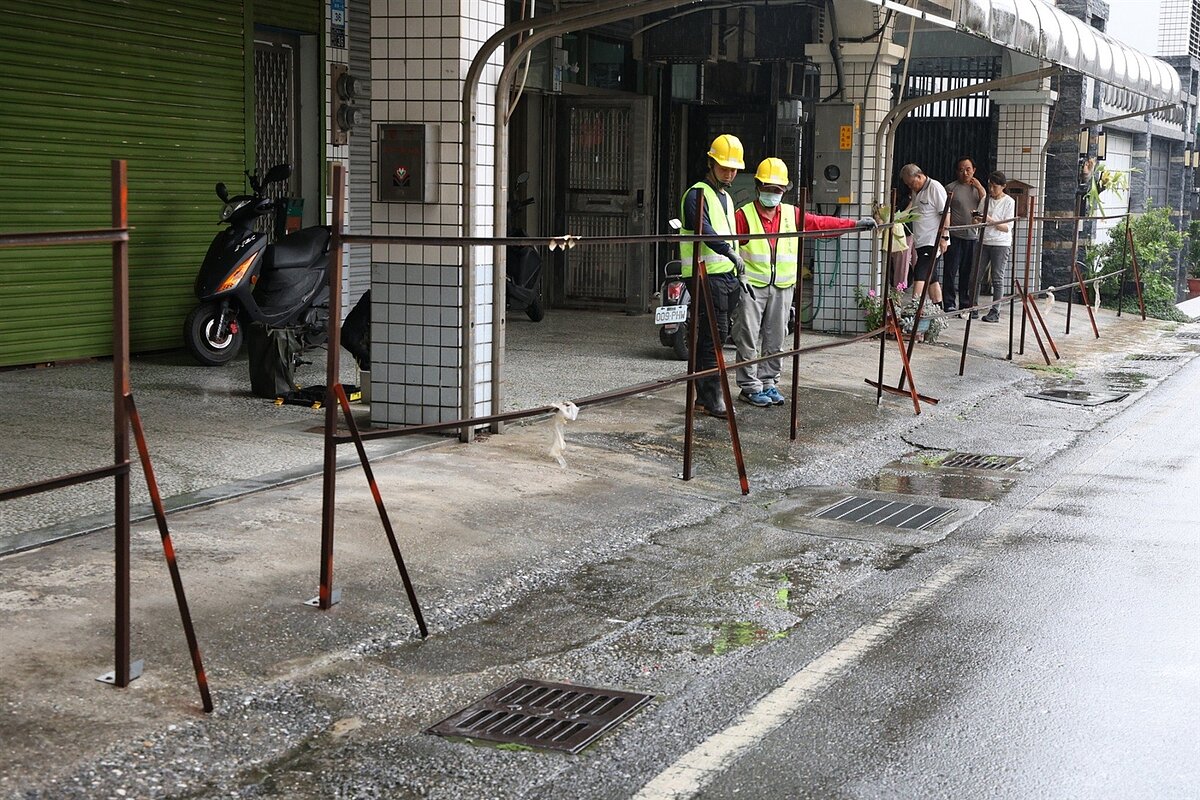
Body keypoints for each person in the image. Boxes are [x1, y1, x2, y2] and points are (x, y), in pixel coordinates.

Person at [732, 157, 871, 407]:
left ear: (784, 191)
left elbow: (820, 224)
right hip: (752, 286)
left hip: (783, 286)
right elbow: (728, 245)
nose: (772, 194)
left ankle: (768, 382)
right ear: (757, 186)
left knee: (776, 339)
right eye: (767, 188)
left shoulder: (790, 214)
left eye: (777, 190)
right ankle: (749, 386)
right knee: (748, 337)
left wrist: (853, 225)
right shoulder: (743, 216)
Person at [680, 133, 746, 417]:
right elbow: (704, 230)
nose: (729, 173)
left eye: (733, 169)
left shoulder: (726, 198)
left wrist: (735, 260)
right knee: (716, 336)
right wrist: (730, 253)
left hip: (725, 275)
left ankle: (704, 396)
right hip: (705, 273)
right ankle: (713, 396)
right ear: (711, 163)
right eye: (724, 167)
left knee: (711, 336)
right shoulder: (697, 194)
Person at [899, 163, 949, 315]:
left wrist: (944, 237)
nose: (910, 187)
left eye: (911, 183)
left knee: (920, 272)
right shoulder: (917, 191)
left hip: (933, 240)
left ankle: (914, 309)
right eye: (907, 184)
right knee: (931, 277)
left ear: (919, 176)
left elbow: (946, 213)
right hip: (921, 241)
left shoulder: (935, 187)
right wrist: (897, 218)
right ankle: (939, 311)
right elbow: (912, 208)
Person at [943, 157, 986, 315]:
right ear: (957, 171)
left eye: (968, 169)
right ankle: (948, 302)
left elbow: (985, 203)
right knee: (950, 270)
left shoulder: (978, 189)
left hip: (972, 237)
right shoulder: (951, 188)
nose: (965, 172)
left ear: (974, 170)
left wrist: (980, 187)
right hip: (954, 235)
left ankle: (965, 303)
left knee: (967, 272)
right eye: (961, 169)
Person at [976, 171, 1016, 323]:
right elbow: (979, 219)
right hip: (984, 240)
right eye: (989, 186)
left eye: (994, 186)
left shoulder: (1009, 202)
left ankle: (995, 311)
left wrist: (988, 219)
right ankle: (973, 307)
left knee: (997, 278)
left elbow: (1007, 227)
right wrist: (977, 219)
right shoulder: (986, 199)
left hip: (1001, 243)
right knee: (976, 276)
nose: (991, 189)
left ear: (1003, 186)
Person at [873, 204, 915, 290]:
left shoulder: (911, 194)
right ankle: (897, 290)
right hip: (893, 225)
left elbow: (913, 200)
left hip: (905, 228)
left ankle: (899, 290)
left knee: (902, 263)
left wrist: (901, 216)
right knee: (897, 263)